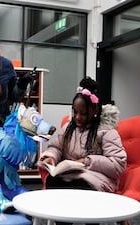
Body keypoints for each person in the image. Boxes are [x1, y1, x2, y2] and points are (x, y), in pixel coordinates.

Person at [38, 77, 127, 225]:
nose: (77, 117)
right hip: (71, 175)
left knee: (81, 190)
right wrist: (51, 157)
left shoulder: (106, 131)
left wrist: (87, 161)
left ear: (94, 110)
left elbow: (118, 165)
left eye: (83, 113)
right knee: (54, 183)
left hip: (95, 179)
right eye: (75, 112)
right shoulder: (69, 127)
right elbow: (56, 147)